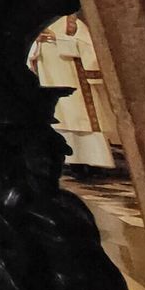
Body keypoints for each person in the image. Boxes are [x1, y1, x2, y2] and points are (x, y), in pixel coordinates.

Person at [30, 13, 116, 174]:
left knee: (81, 119)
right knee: (60, 119)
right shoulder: (39, 23)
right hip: (50, 78)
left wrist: (58, 39)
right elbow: (31, 54)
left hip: (74, 80)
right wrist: (37, 44)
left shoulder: (72, 22)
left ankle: (93, 164)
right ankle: (71, 163)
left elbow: (89, 46)